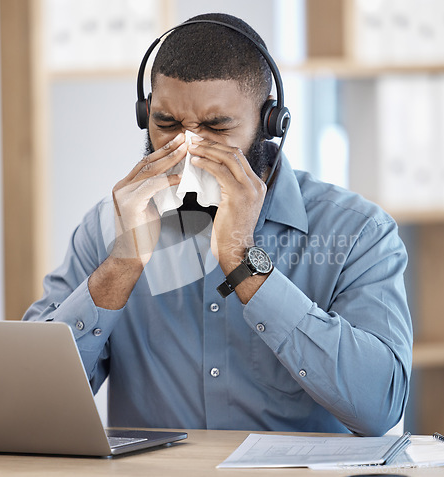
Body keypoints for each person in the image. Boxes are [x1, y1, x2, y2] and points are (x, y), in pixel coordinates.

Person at [23, 12, 412, 436]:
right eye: (166, 123)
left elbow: (380, 407)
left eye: (216, 127)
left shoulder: (358, 232)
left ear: (270, 124)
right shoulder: (105, 229)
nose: (186, 148)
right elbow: (28, 403)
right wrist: (120, 266)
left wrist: (244, 262)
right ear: (145, 114)